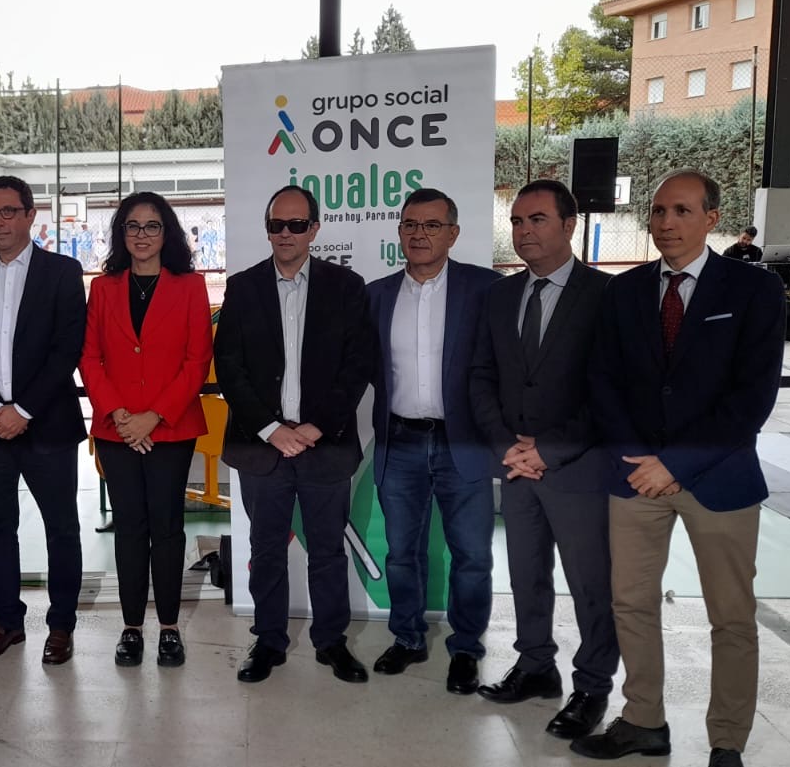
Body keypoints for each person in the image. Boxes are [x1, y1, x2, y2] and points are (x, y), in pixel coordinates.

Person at [574, 170, 784, 767]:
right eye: (659, 210)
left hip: (718, 478)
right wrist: (639, 456)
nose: (666, 222)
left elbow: (752, 397)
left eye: (682, 210)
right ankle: (644, 721)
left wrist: (676, 463)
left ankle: (727, 746)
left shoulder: (753, 289)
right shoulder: (626, 291)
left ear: (711, 218)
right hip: (635, 472)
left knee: (731, 616)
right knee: (631, 602)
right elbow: (602, 380)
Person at [467, 181, 619, 739]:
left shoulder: (607, 295)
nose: (524, 232)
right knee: (527, 575)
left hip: (576, 469)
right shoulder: (500, 295)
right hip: (515, 466)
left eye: (537, 220)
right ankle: (536, 666)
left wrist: (548, 449)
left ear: (569, 225)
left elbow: (611, 392)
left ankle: (592, 687)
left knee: (590, 585)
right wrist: (506, 444)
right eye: (516, 221)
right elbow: (481, 375)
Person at [214, 185, 377, 684]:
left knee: (327, 549)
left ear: (314, 229)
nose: (285, 234)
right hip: (261, 447)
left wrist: (312, 427)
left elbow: (357, 364)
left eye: (296, 225)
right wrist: (270, 429)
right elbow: (230, 366)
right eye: (276, 225)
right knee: (266, 550)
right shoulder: (242, 288)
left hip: (322, 445)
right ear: (267, 228)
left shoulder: (346, 287)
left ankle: (331, 641)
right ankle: (268, 642)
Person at [0, 175, 88, 664]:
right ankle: (8, 621)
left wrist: (22, 409)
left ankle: (62, 626)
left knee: (61, 529)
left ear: (31, 215)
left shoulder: (63, 272)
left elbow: (66, 348)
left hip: (46, 423)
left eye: (9, 211)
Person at [367, 188, 500, 694]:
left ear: (453, 233)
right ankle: (407, 638)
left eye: (430, 225)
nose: (418, 234)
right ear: (399, 232)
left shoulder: (485, 289)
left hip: (462, 443)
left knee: (472, 555)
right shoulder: (376, 294)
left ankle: (466, 648)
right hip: (398, 440)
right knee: (402, 552)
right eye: (409, 225)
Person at [80, 192, 213, 667]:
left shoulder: (191, 287)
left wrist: (153, 416)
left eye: (152, 226)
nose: (141, 235)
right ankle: (132, 626)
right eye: (132, 226)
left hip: (170, 428)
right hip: (117, 430)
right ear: (121, 234)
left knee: (167, 527)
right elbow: (89, 356)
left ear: (167, 233)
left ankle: (170, 628)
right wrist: (118, 413)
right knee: (130, 528)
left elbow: (197, 361)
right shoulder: (102, 288)